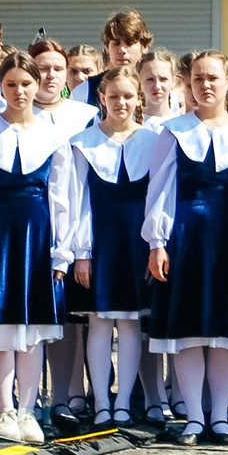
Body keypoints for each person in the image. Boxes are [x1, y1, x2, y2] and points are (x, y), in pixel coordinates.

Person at [141, 50, 228, 444]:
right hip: (186, 238)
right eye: (197, 78)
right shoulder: (174, 131)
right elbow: (159, 190)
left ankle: (221, 417)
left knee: (226, 329)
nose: (205, 85)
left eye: (212, 78)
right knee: (189, 328)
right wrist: (157, 242)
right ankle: (194, 417)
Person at [0, 49, 79, 443]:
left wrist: (62, 252)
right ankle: (4, 411)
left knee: (33, 332)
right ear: (1, 86)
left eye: (26, 83)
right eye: (11, 84)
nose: (19, 91)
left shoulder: (53, 136)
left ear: (37, 86)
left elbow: (62, 197)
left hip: (37, 239)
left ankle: (28, 410)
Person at [68, 61, 157, 426]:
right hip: (100, 243)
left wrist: (156, 246)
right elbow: (78, 200)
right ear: (102, 98)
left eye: (128, 96)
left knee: (132, 322)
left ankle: (123, 402)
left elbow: (158, 197)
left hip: (137, 243)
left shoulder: (153, 141)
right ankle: (102, 402)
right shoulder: (83, 142)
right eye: (114, 96)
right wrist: (82, 253)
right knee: (100, 323)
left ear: (139, 99)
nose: (121, 103)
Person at [78, 10, 153, 107]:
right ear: (107, 48)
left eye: (129, 43)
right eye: (116, 43)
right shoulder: (86, 90)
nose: (122, 50)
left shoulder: (159, 87)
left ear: (144, 46)